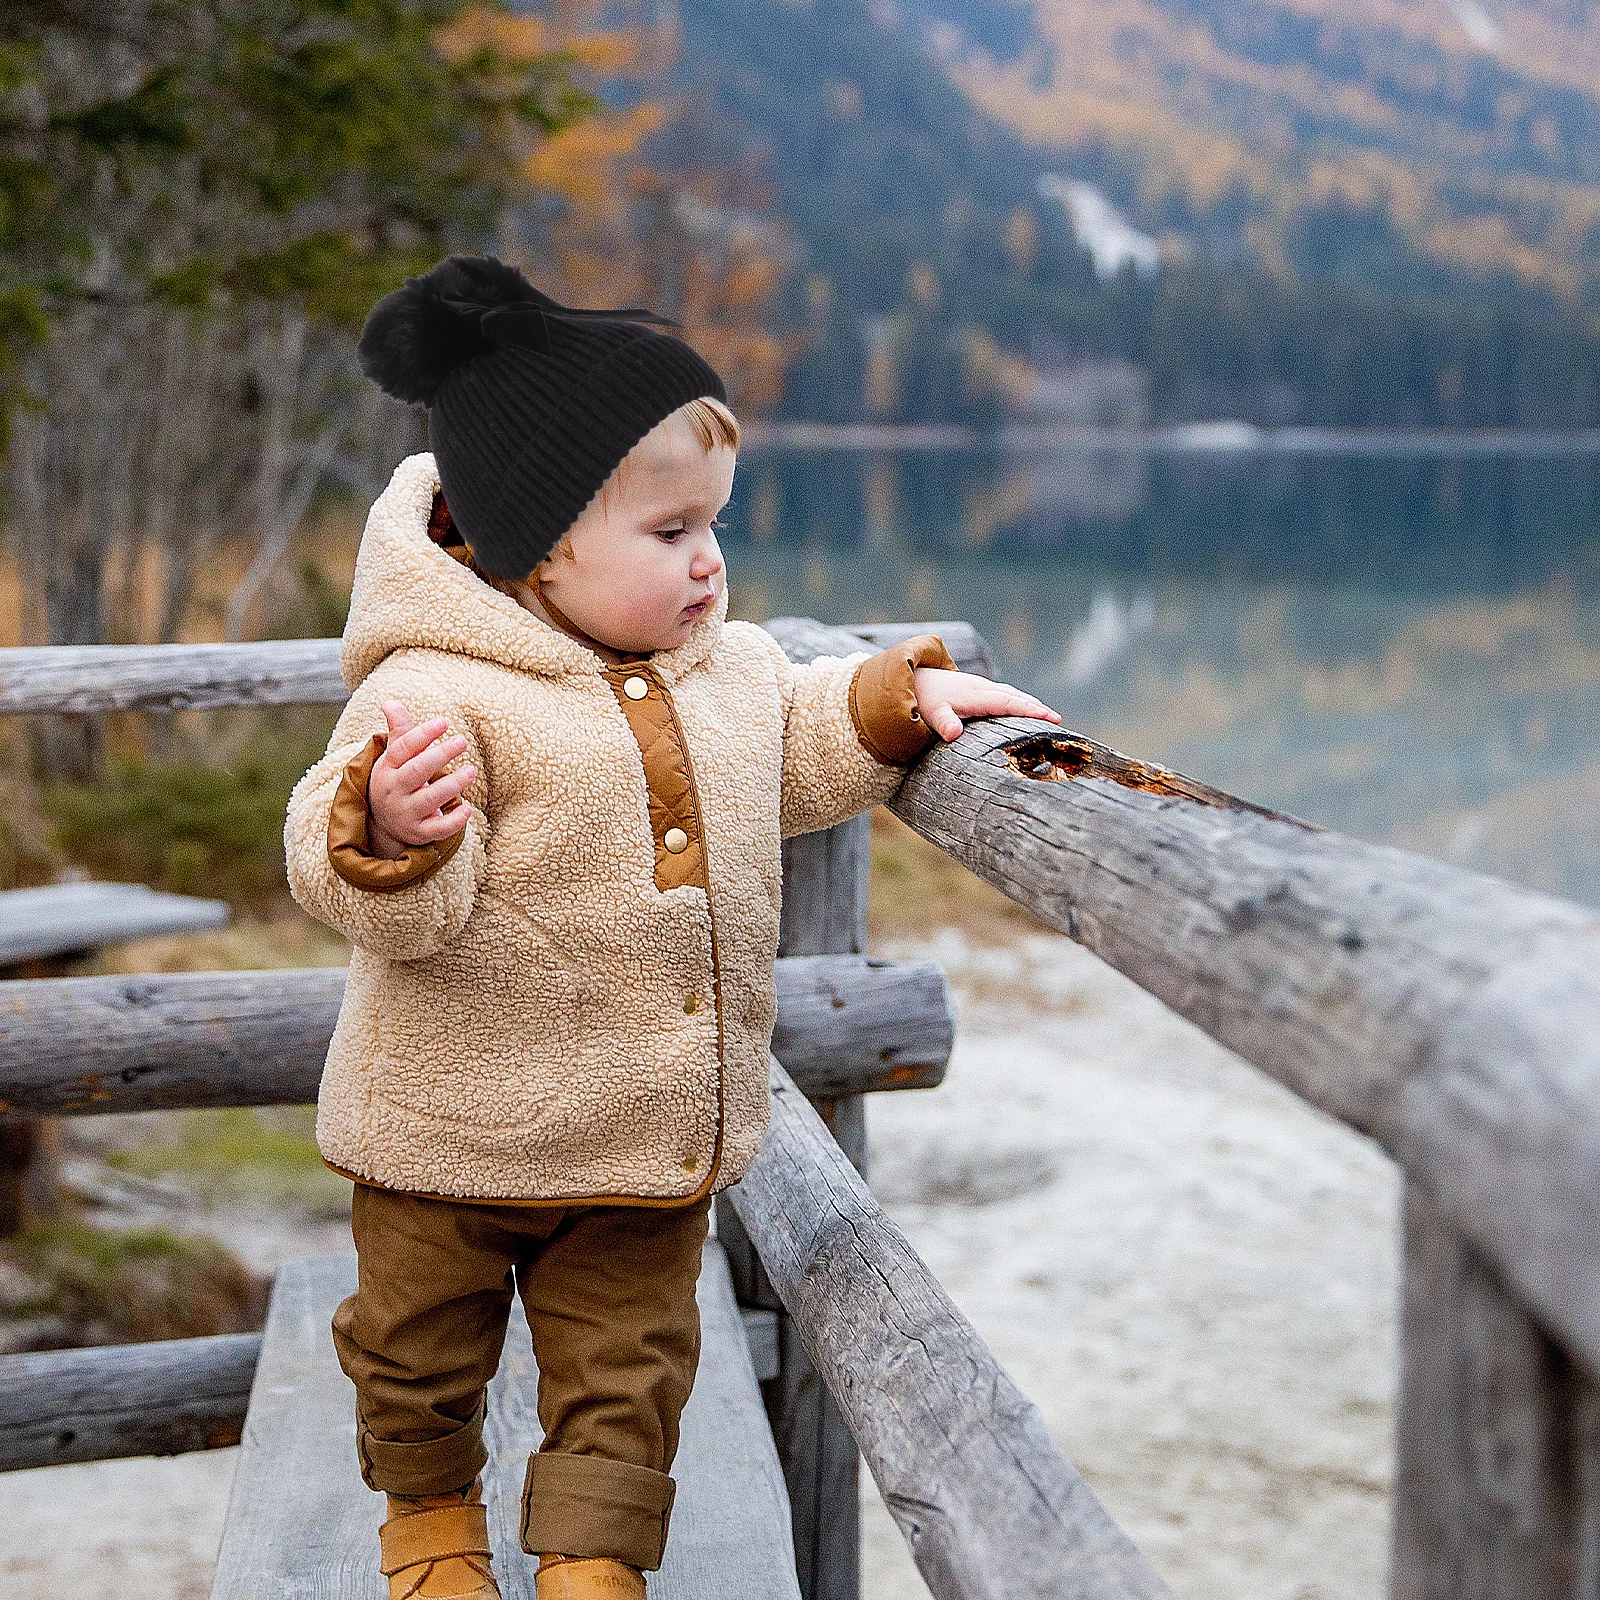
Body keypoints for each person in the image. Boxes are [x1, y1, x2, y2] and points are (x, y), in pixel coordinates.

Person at [283, 254, 1061, 1600]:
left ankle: (592, 1562)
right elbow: (345, 872)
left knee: (629, 1374)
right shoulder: (434, 691)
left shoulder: (727, 669)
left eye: (715, 524)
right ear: (537, 539)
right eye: (669, 534)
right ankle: (429, 1529)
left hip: (645, 1136)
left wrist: (898, 702)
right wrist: (394, 835)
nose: (710, 563)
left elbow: (801, 737)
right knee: (414, 1351)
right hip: (443, 1139)